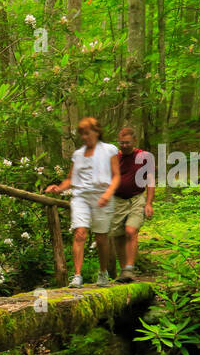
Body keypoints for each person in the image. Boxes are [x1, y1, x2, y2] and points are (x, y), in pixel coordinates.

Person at [45, 117, 119, 287]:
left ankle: (103, 272)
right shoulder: (78, 155)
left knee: (101, 238)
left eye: (87, 133)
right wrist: (59, 188)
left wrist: (108, 194)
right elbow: (71, 179)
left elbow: (116, 176)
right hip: (81, 197)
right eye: (82, 134)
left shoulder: (109, 150)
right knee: (79, 233)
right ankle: (77, 275)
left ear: (97, 132)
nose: (85, 137)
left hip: (102, 195)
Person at [96, 125, 154, 283]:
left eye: (127, 142)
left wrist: (149, 203)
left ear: (135, 140)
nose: (124, 145)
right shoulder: (114, 158)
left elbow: (150, 180)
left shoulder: (144, 156)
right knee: (118, 236)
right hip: (117, 200)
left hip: (136, 198)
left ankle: (129, 267)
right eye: (121, 143)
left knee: (130, 230)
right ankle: (124, 272)